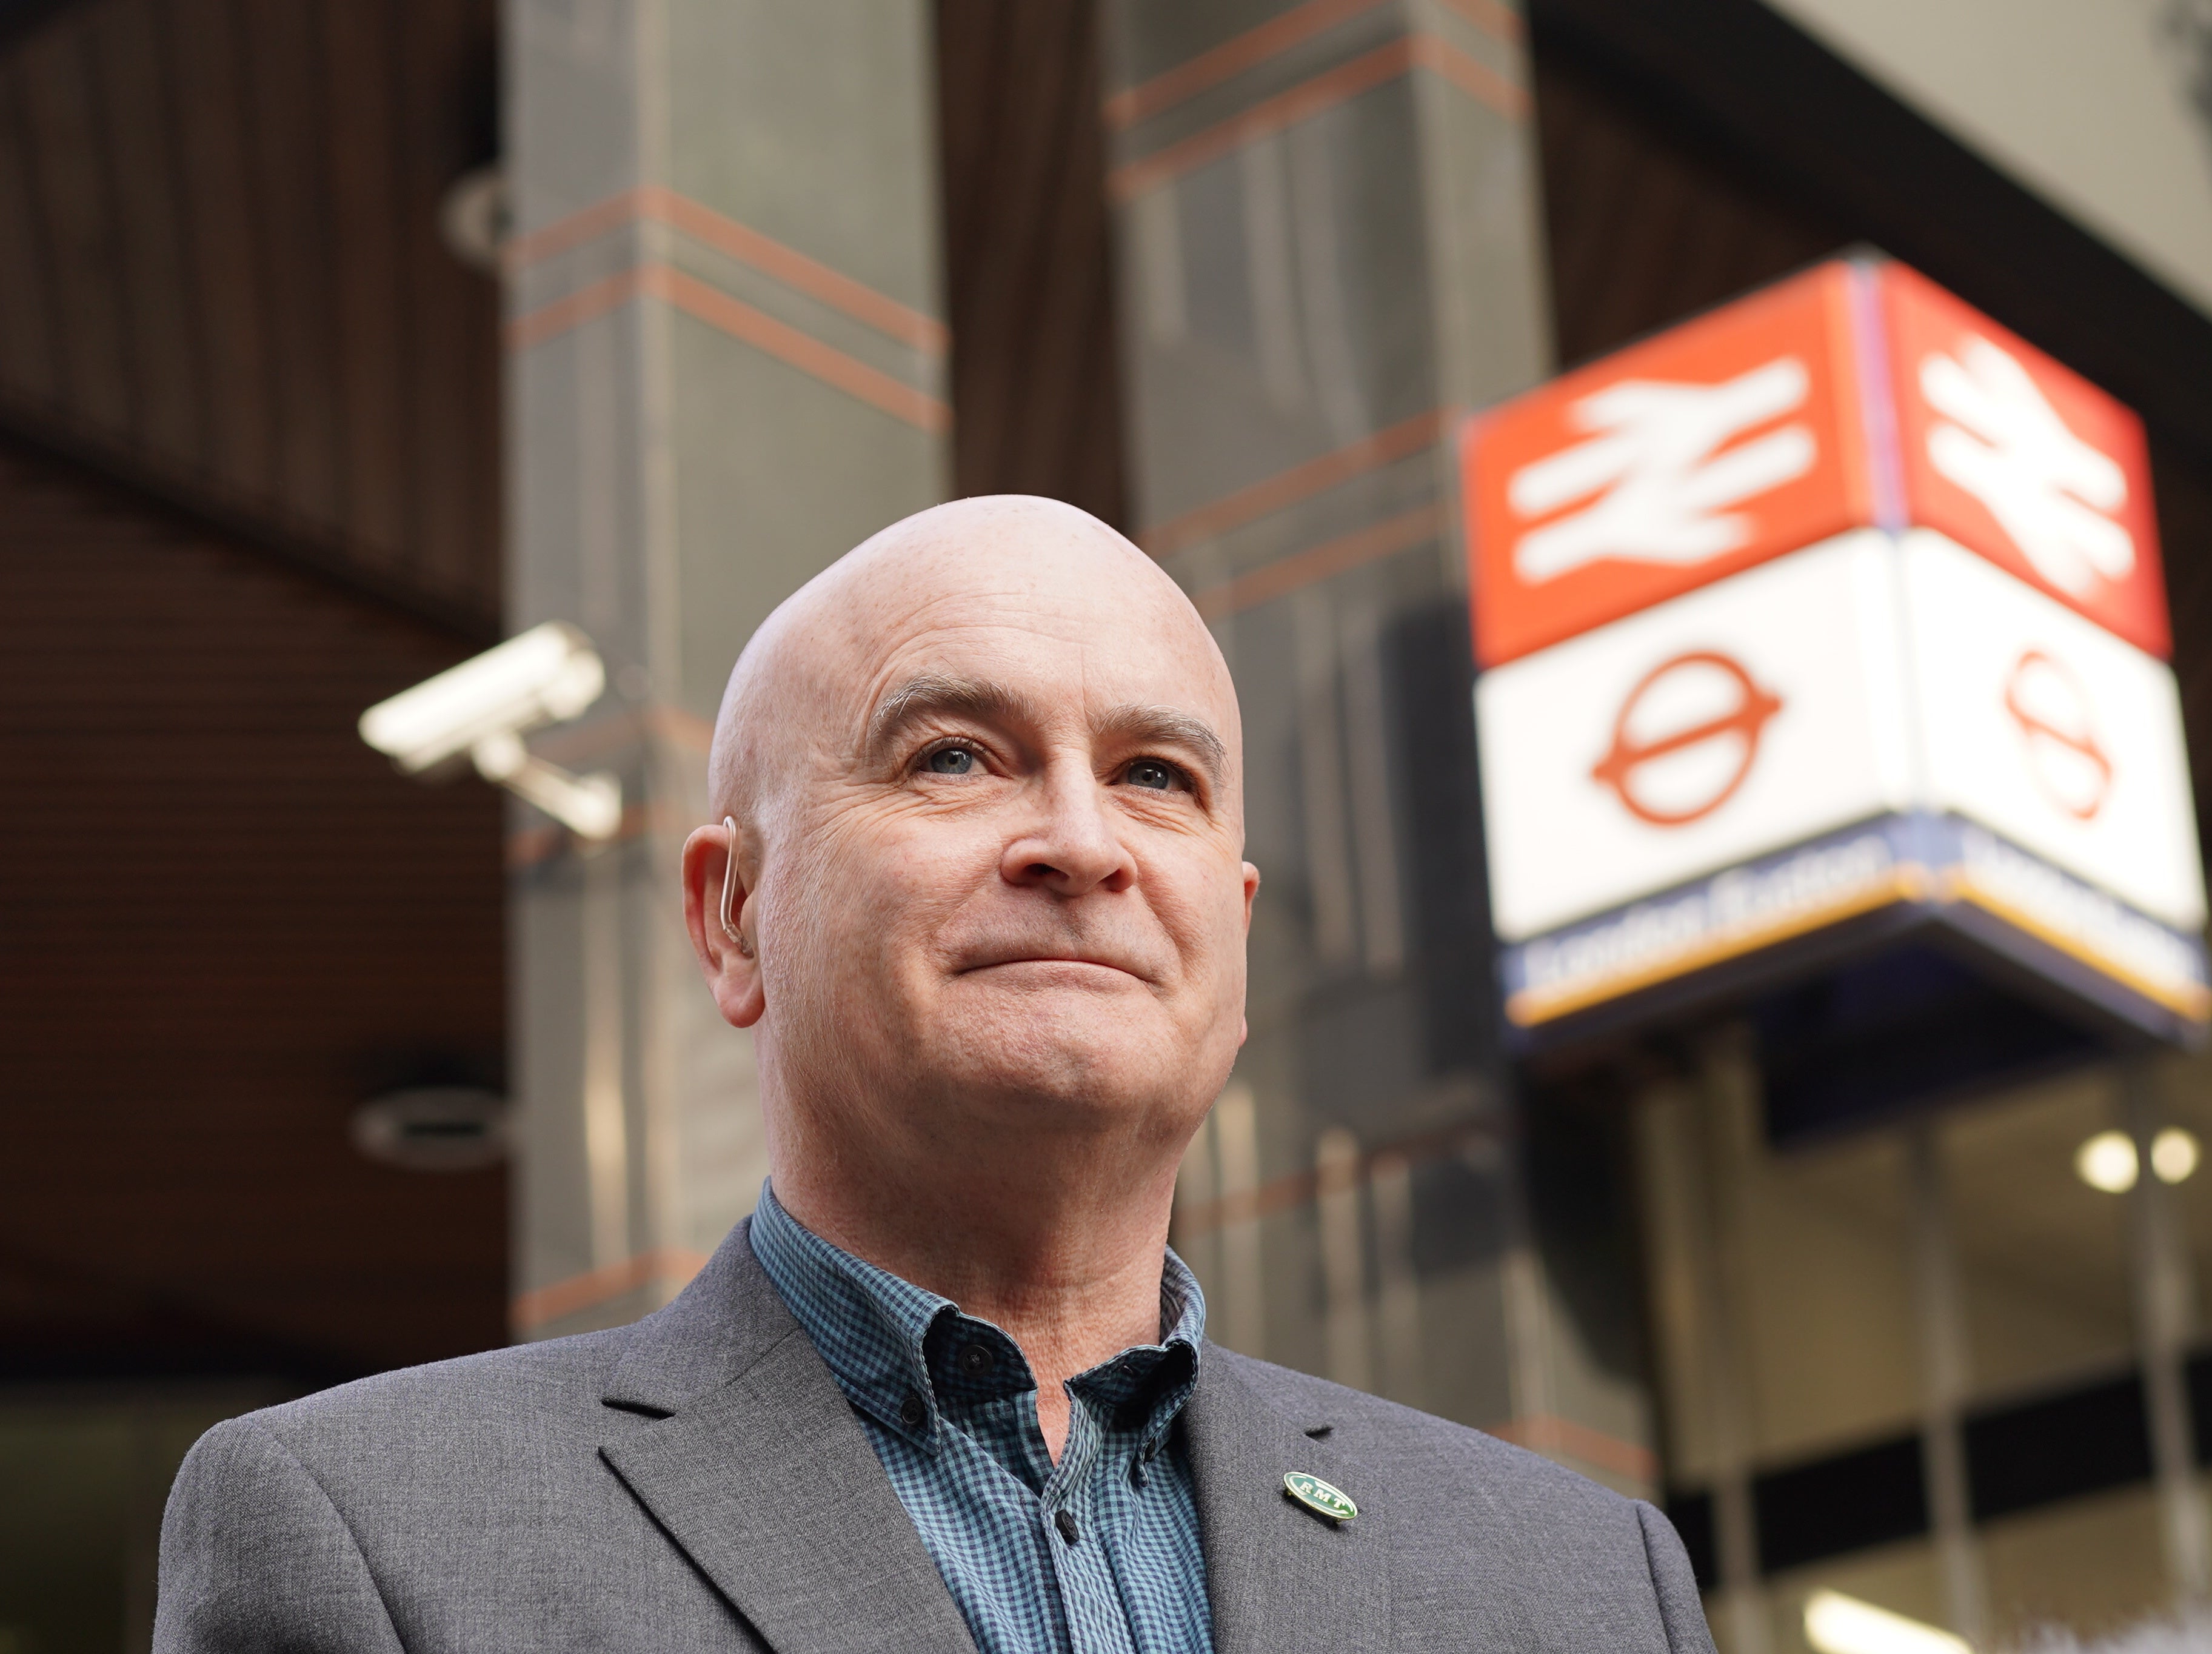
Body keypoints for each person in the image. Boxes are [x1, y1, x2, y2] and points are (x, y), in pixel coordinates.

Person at [153, 497, 1715, 1653]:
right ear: (733, 912)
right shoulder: (368, 1536)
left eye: (1155, 779)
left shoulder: (1581, 1589)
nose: (1083, 843)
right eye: (954, 757)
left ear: (1231, 946)